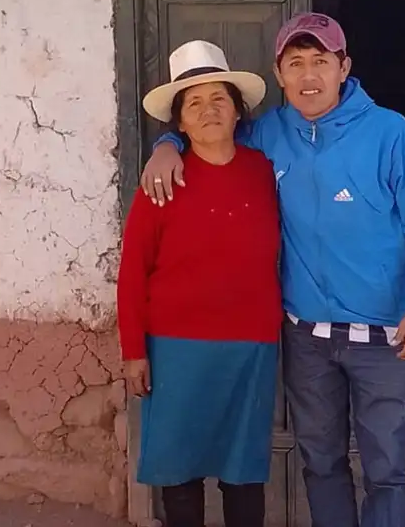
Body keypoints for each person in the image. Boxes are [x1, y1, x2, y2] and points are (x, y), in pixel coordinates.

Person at [139, 13, 405, 527]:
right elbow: (210, 127)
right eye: (296, 64)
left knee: (386, 472)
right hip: (307, 337)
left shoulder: (388, 133)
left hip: (383, 335)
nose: (309, 76)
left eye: (321, 63)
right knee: (322, 465)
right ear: (279, 74)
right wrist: (166, 144)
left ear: (343, 67)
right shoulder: (269, 134)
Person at [116, 39, 282, 527]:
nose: (208, 110)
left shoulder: (265, 172)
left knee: (244, 471)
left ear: (237, 113)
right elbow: (132, 270)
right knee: (179, 471)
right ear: (180, 123)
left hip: (250, 346)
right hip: (174, 348)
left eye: (219, 99)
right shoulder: (161, 181)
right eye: (194, 103)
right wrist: (134, 351)